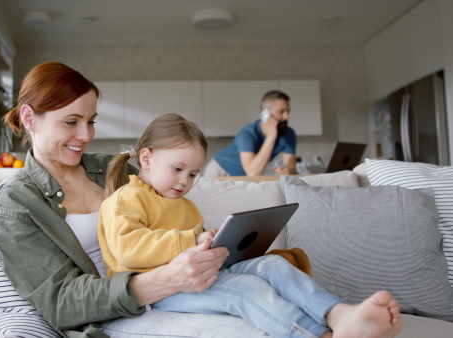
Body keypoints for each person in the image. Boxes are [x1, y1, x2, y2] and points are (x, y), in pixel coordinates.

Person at [99, 113, 403, 338]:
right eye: (178, 169)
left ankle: (339, 314)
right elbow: (128, 250)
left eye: (193, 174)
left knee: (272, 267)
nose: (184, 181)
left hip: (200, 277)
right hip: (160, 291)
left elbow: (199, 249)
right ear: (147, 159)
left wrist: (221, 246)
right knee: (244, 290)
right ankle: (319, 335)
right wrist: (192, 241)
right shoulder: (127, 198)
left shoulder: (186, 206)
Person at [0, 62, 230, 337]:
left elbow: (170, 220)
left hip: (177, 298)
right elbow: (61, 304)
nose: (86, 135)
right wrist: (166, 280)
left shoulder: (116, 170)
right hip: (115, 317)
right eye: (71, 122)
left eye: (91, 121)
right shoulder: (16, 205)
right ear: (30, 119)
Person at [204, 90, 298, 177]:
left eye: (288, 111)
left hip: (241, 177)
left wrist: (288, 172)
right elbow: (253, 173)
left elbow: (292, 169)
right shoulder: (247, 133)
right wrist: (271, 137)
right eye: (281, 112)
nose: (286, 116)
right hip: (219, 170)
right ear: (265, 114)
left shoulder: (289, 134)